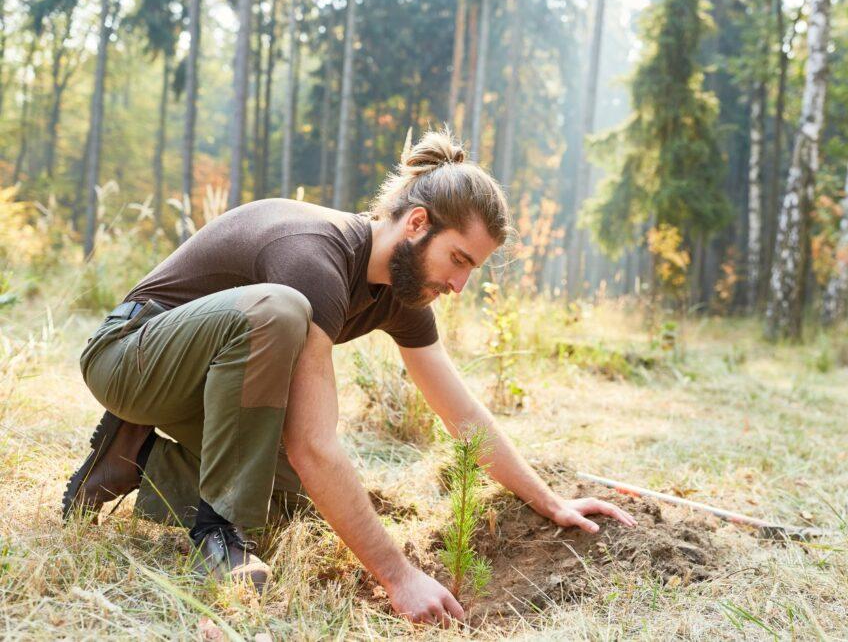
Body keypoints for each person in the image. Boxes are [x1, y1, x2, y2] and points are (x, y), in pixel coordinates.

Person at [63, 129, 636, 625]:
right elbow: (314, 443)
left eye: (472, 271)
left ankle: (134, 459)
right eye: (459, 260)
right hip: (129, 358)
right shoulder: (314, 257)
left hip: (203, 387)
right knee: (279, 311)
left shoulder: (401, 293)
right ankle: (219, 535)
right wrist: (398, 576)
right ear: (417, 224)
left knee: (303, 507)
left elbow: (460, 412)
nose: (460, 286)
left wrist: (550, 500)